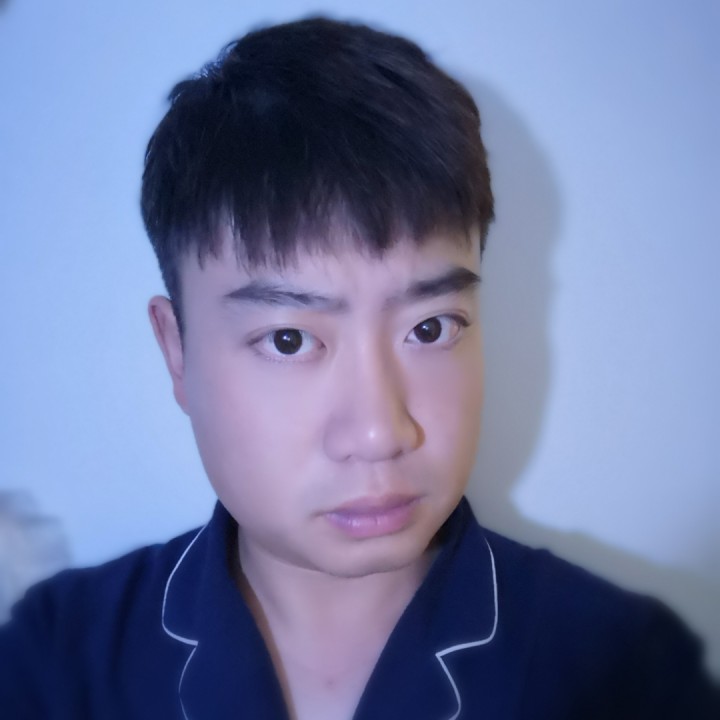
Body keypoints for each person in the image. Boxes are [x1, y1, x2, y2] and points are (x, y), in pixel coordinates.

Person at [0, 16, 717, 720]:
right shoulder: (58, 662)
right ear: (177, 351)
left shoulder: (623, 668)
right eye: (289, 340)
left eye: (429, 328)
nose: (379, 433)